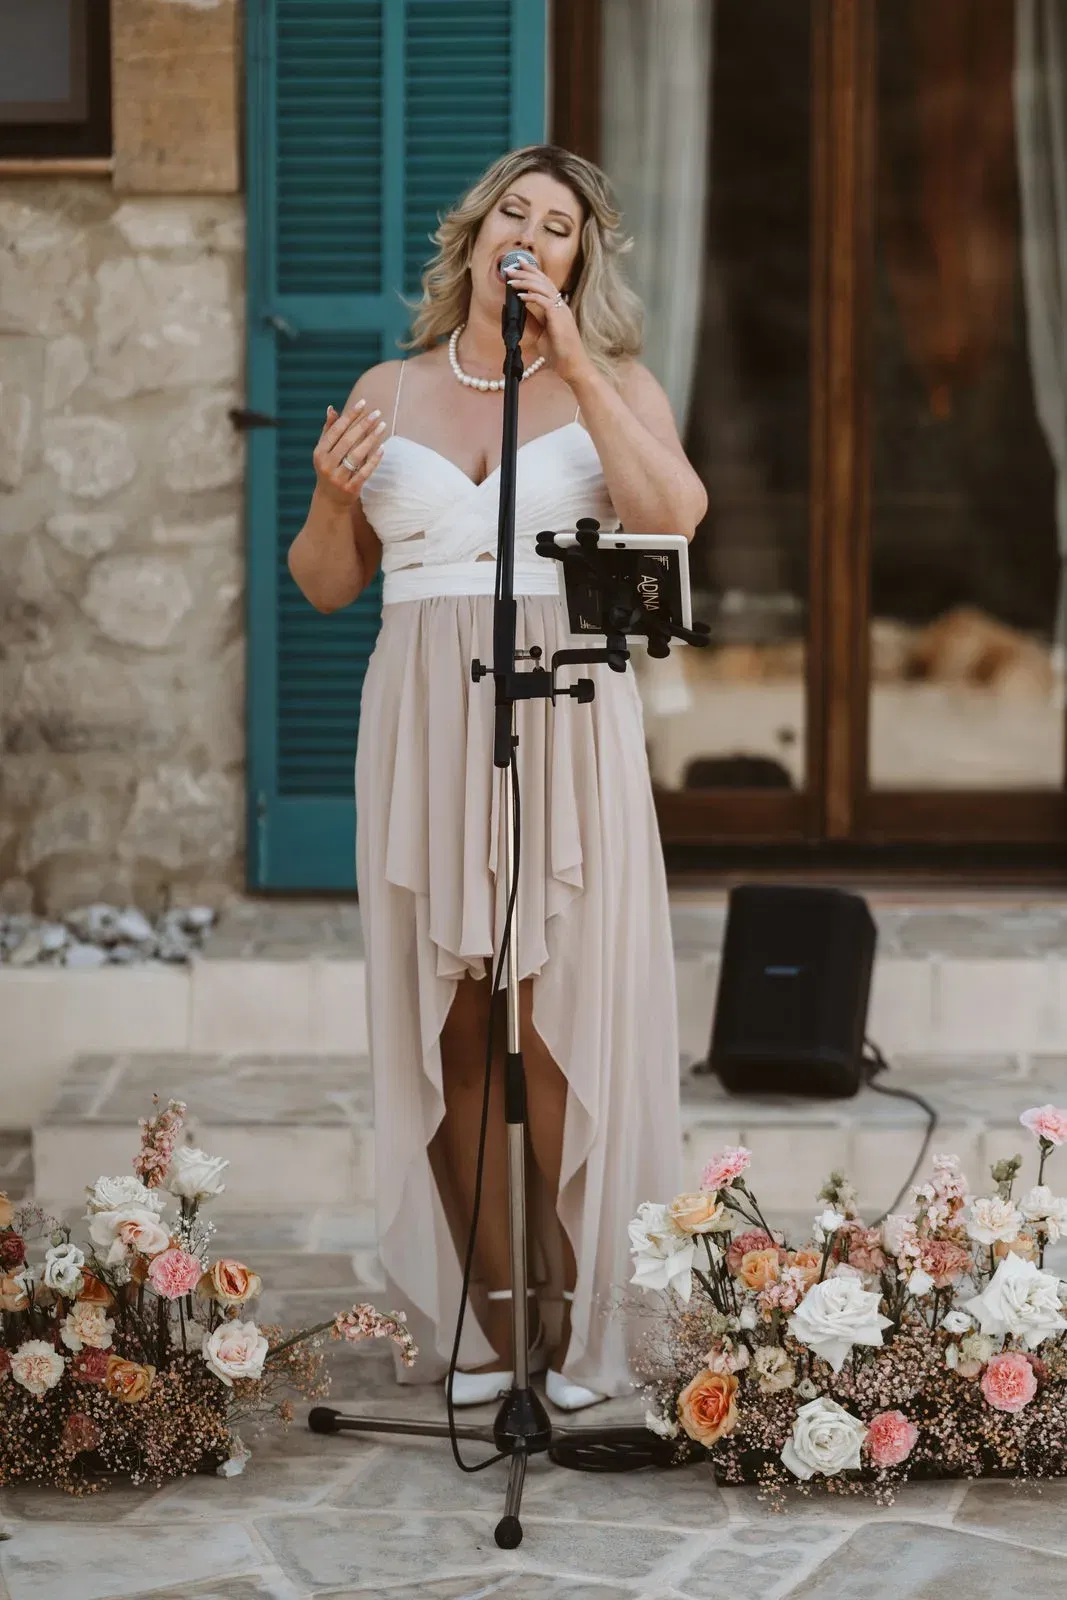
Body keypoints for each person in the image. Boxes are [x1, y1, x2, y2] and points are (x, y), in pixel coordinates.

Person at [288, 145, 707, 1410]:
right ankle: (489, 1321)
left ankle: (583, 1324)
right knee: (457, 1021)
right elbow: (325, 581)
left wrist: (573, 363)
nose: (529, 236)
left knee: (552, 1019)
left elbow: (671, 515)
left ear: (578, 259)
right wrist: (324, 492)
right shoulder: (389, 386)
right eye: (511, 214)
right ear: (473, 237)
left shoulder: (612, 379)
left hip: (565, 712)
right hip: (420, 721)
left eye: (558, 226)